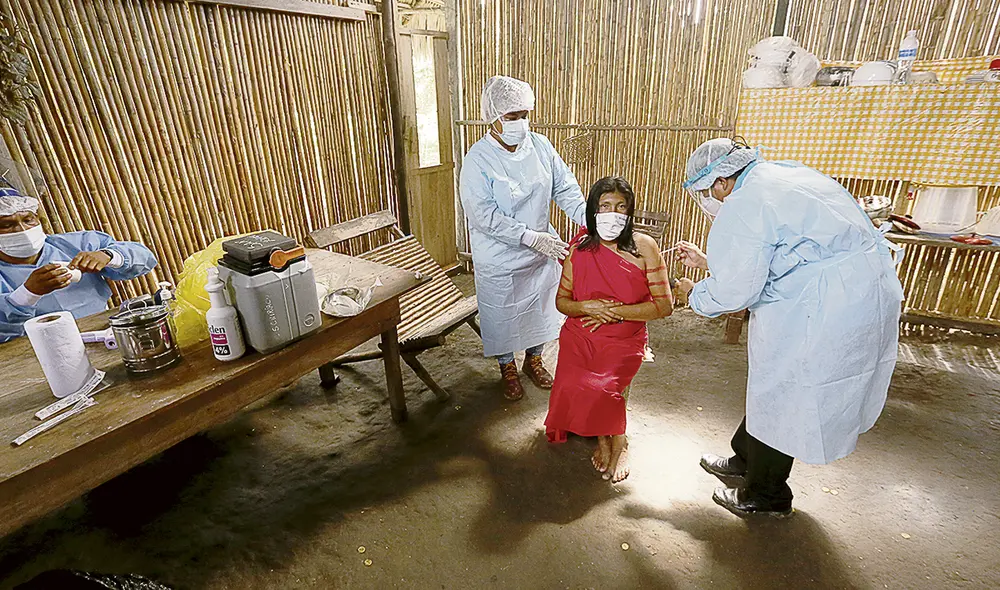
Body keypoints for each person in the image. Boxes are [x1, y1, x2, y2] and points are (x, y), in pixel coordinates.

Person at [674, 138, 904, 517]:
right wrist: (708, 260)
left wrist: (693, 293)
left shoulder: (745, 203)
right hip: (855, 288)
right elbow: (782, 248)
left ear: (720, 182)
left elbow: (734, 291)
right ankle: (745, 459)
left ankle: (767, 496)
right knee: (773, 385)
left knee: (782, 391)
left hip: (820, 306)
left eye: (704, 192)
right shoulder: (783, 174)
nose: (707, 201)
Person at [459, 75, 588, 401]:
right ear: (494, 117)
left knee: (541, 309)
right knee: (502, 316)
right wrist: (528, 237)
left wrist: (590, 219)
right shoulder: (478, 160)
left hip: (541, 251)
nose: (520, 122)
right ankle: (507, 367)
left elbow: (565, 188)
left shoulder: (541, 146)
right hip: (499, 256)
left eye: (524, 114)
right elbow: (484, 216)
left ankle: (533, 359)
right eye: (512, 116)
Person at [545, 177, 673, 483]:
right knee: (571, 383)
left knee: (603, 387)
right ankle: (603, 439)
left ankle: (619, 441)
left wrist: (613, 313)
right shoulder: (579, 250)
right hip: (581, 333)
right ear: (593, 210)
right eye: (604, 206)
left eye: (620, 207)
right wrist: (588, 307)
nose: (612, 213)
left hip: (625, 336)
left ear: (629, 213)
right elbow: (562, 301)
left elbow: (663, 306)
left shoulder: (645, 247)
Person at [0, 186, 159, 342]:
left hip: (102, 331)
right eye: (7, 225)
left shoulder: (76, 244)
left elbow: (145, 257)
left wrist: (109, 256)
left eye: (28, 220)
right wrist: (28, 293)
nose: (22, 229)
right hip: (36, 350)